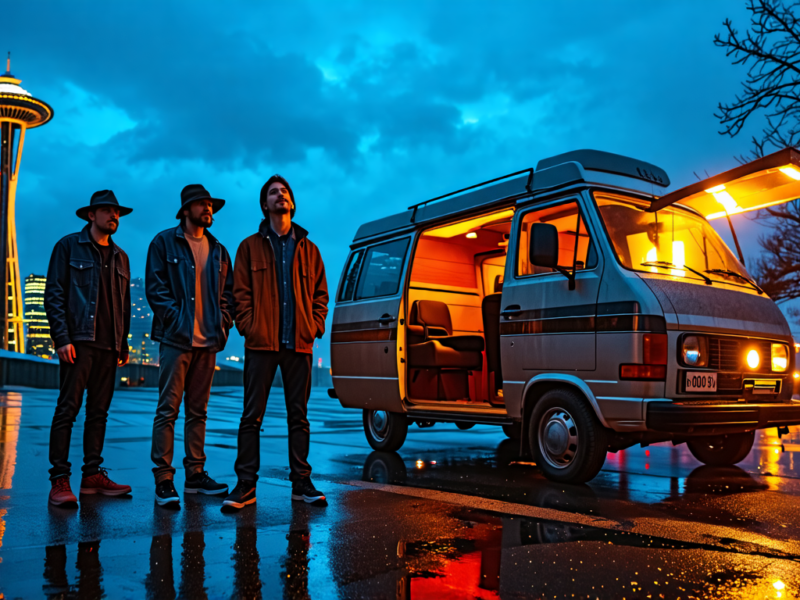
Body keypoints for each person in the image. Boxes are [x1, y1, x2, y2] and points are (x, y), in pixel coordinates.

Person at [223, 175, 328, 510]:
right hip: (261, 344)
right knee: (251, 416)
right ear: (264, 205)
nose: (279, 195)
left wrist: (314, 326)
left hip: (299, 343)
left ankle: (302, 483)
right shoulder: (248, 247)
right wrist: (250, 328)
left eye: (284, 192)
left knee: (299, 416)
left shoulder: (309, 250)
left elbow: (321, 296)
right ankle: (245, 485)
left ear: (292, 203)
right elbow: (239, 293)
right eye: (273, 192)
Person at [146, 184, 234, 507]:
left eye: (211, 204)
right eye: (202, 204)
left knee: (199, 411)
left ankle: (195, 475)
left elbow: (230, 296)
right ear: (186, 210)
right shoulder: (164, 242)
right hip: (176, 340)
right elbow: (155, 289)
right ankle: (164, 480)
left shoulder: (220, 251)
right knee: (167, 409)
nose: (208, 209)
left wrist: (223, 323)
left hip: (208, 343)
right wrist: (176, 320)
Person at [44, 190, 133, 507]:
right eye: (108, 211)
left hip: (109, 347)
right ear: (90, 215)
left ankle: (92, 475)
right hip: (79, 343)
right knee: (67, 409)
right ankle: (59, 479)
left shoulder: (121, 257)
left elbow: (125, 305)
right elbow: (53, 294)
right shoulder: (69, 246)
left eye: (117, 212)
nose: (114, 216)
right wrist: (62, 338)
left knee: (99, 413)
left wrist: (122, 344)